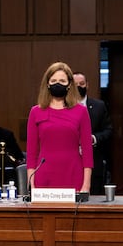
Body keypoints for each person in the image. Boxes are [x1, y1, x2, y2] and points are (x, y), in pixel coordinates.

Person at [26, 62, 93, 192]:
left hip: (73, 174)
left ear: (69, 85)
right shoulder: (36, 112)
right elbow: (31, 152)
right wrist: (31, 182)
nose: (58, 83)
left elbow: (87, 151)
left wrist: (86, 184)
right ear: (47, 84)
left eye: (62, 81)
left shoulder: (81, 111)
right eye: (54, 80)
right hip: (44, 175)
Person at [73, 72, 113, 195]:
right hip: (71, 162)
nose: (79, 87)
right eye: (75, 84)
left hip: (94, 162)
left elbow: (109, 130)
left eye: (82, 84)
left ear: (87, 85)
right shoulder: (63, 107)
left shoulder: (99, 106)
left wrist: (94, 138)